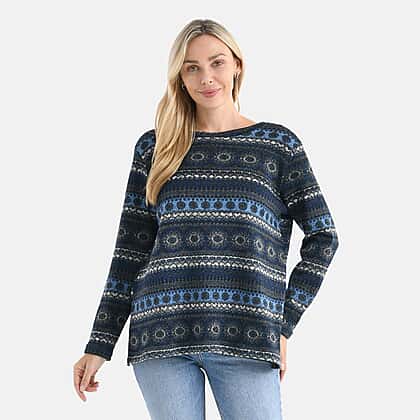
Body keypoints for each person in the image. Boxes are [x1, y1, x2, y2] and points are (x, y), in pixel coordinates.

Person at [73, 18, 339, 420]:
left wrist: (282, 325)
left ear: (237, 65)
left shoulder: (277, 146)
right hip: (161, 334)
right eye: (192, 68)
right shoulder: (155, 148)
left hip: (247, 334)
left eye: (217, 63)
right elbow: (129, 252)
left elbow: (323, 237)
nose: (206, 77)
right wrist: (99, 344)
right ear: (179, 78)